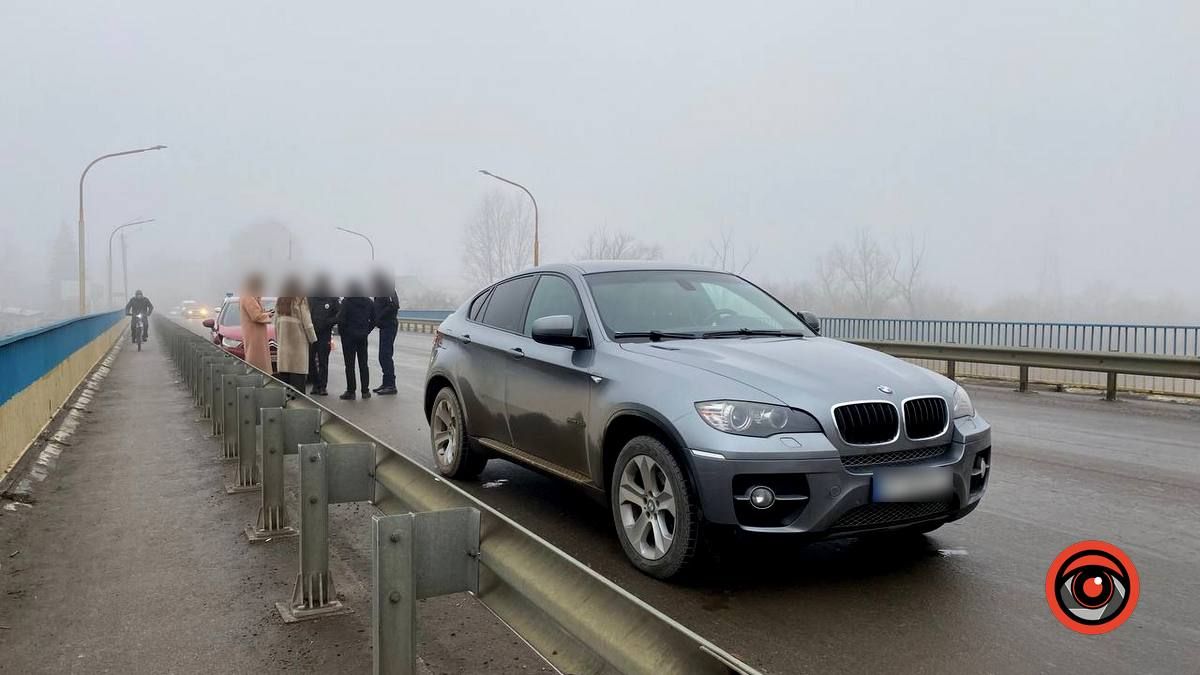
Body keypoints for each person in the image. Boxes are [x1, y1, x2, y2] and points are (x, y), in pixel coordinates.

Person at [336, 280, 376, 400]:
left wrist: (343, 333)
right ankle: (365, 391)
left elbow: (341, 320)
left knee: (350, 365)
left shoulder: (347, 302)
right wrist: (366, 330)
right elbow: (374, 320)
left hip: (349, 338)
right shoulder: (368, 302)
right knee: (363, 364)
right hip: (362, 337)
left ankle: (351, 391)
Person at [274, 280, 317, 392]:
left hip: (284, 349)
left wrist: (279, 339)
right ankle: (298, 407)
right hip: (298, 348)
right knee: (298, 385)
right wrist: (313, 339)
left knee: (285, 385)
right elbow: (307, 324)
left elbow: (275, 323)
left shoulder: (280, 301)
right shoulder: (300, 300)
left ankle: (285, 406)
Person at [307, 276, 340, 397]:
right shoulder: (310, 297)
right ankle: (315, 384)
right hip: (311, 333)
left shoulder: (332, 298)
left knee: (323, 361)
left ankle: (322, 386)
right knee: (310, 360)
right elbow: (305, 312)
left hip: (325, 334)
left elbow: (339, 314)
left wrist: (328, 322)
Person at [371, 271, 400, 395]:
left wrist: (380, 317)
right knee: (383, 356)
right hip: (384, 326)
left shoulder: (388, 290)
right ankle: (386, 382)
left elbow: (394, 305)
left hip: (389, 325)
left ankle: (391, 385)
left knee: (385, 355)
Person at [239, 274, 273, 373]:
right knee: (256, 361)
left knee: (258, 360)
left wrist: (266, 313)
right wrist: (267, 315)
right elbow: (256, 316)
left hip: (255, 334)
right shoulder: (248, 297)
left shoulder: (250, 296)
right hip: (254, 335)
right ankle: (256, 380)